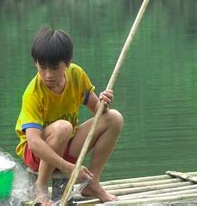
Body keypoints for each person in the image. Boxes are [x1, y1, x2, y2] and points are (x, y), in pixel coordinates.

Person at [15, 27, 124, 204]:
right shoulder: (33, 93)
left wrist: (103, 103)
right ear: (36, 63)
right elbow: (34, 143)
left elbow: (97, 110)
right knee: (62, 127)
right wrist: (70, 169)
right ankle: (40, 187)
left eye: (55, 68)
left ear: (67, 63)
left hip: (67, 144)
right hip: (38, 154)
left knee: (114, 118)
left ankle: (92, 183)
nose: (48, 75)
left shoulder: (76, 75)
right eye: (42, 68)